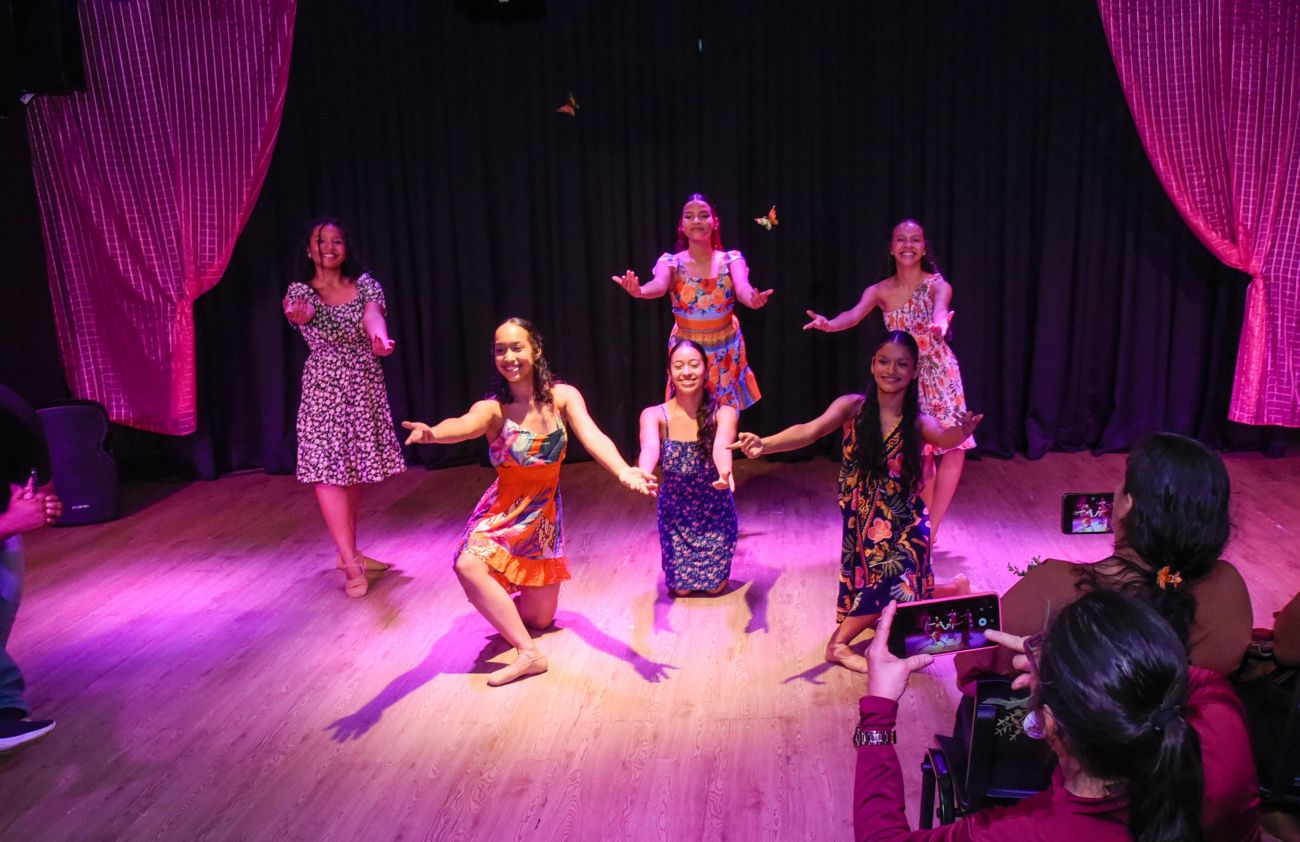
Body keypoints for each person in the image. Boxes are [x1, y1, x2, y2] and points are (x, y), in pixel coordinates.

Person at [854, 590, 1258, 841]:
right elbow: (1189, 677)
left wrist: (879, 711)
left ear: (1049, 727)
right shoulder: (1223, 722)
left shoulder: (1030, 832)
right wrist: (1073, 669)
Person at [402, 318, 657, 686]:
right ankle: (529, 654)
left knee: (540, 619)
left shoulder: (563, 396)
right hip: (505, 511)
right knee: (468, 564)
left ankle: (501, 607)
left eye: (516, 347)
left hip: (543, 518)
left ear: (536, 350)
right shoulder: (493, 409)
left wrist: (622, 470)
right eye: (500, 350)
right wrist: (433, 434)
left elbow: (592, 435)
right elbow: (464, 424)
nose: (509, 357)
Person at [732, 331, 980, 672]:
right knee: (894, 584)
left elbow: (944, 437)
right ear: (872, 364)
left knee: (896, 577)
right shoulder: (852, 408)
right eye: (884, 361)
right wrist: (765, 444)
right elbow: (809, 431)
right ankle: (951, 590)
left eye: (902, 364)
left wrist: (961, 433)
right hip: (862, 516)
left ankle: (838, 644)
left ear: (914, 372)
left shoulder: (919, 422)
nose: (891, 370)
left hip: (905, 519)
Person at [955, 432, 1252, 683]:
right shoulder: (1227, 587)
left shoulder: (1055, 587)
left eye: (1122, 482)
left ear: (1127, 506)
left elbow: (972, 664)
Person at [804, 220, 973, 543]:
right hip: (906, 376)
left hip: (940, 373)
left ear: (923, 248)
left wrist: (940, 324)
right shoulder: (879, 290)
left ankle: (932, 530)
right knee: (921, 454)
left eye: (915, 240)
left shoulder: (937, 285)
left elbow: (941, 309)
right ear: (892, 248)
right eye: (901, 239)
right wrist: (829, 324)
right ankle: (922, 527)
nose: (908, 245)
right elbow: (853, 315)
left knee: (954, 450)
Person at [283, 218, 406, 598]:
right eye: (321, 241)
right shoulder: (301, 291)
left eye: (337, 241)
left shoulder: (365, 283)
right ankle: (351, 563)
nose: (329, 247)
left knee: (350, 471)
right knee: (327, 472)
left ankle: (348, 551)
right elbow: (298, 311)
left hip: (362, 383)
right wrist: (297, 314)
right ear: (309, 250)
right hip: (323, 387)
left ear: (346, 247)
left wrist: (380, 339)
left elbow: (373, 315)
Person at [612, 193, 773, 410]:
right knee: (688, 414)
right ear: (682, 224)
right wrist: (640, 291)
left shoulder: (731, 259)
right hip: (688, 349)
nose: (696, 221)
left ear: (715, 222)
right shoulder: (671, 262)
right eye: (689, 216)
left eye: (703, 215)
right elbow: (658, 285)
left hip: (724, 349)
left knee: (723, 415)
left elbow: (743, 288)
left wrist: (752, 300)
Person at [636, 340, 739, 597]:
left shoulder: (725, 413)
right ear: (669, 373)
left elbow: (722, 446)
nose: (686, 372)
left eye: (694, 365)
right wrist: (643, 472)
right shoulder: (654, 415)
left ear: (706, 370)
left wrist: (724, 472)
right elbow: (649, 447)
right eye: (678, 366)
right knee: (680, 590)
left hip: (716, 514)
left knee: (715, 588)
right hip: (676, 517)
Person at [0, 385, 63, 752]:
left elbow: (43, 490)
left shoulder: (11, 413)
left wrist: (40, 506)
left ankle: (4, 710)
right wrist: (9, 522)